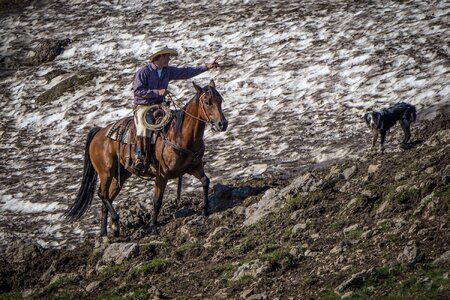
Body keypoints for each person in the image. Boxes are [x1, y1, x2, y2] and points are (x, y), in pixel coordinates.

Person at [132, 45, 218, 172]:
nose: (169, 59)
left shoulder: (167, 71)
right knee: (144, 127)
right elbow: (138, 91)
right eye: (167, 56)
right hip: (143, 106)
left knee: (175, 123)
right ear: (159, 57)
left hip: (160, 106)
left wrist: (206, 67)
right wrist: (157, 92)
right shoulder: (143, 72)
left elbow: (186, 72)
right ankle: (140, 156)